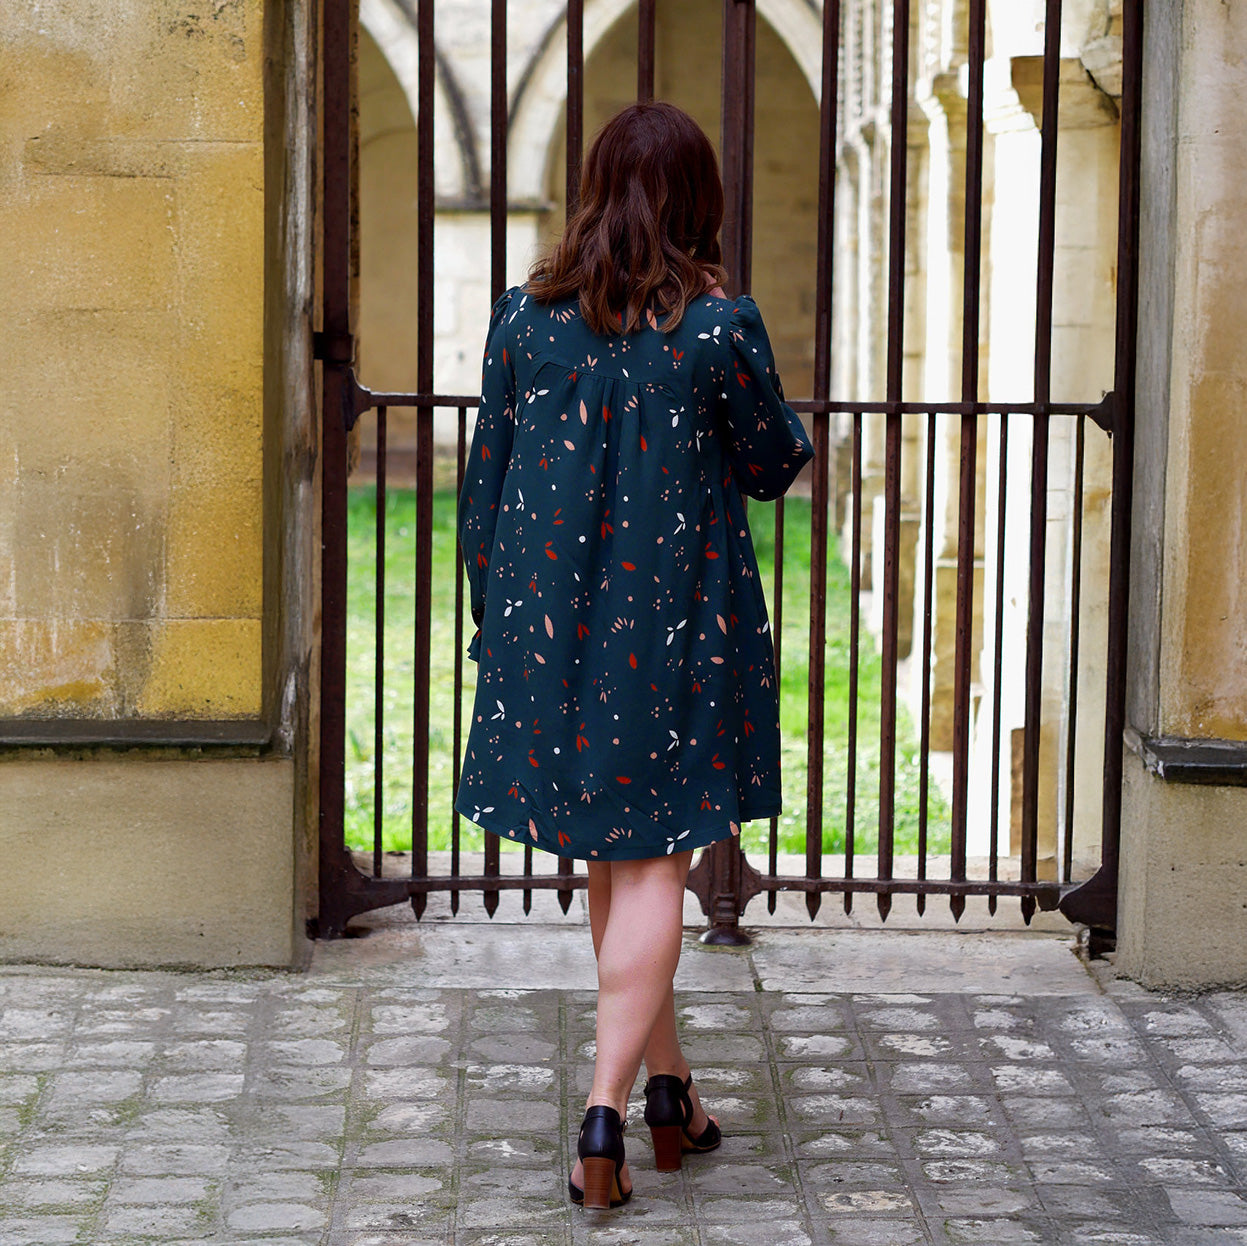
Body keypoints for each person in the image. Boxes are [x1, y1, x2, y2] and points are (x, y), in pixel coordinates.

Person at [454, 101, 814, 1209]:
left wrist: (496, 623)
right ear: (699, 200)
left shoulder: (523, 318)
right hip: (675, 628)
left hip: (548, 627)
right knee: (653, 862)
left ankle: (672, 1092)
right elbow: (773, 462)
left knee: (616, 860)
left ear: (595, 190)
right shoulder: (714, 327)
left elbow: (483, 483)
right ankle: (606, 1110)